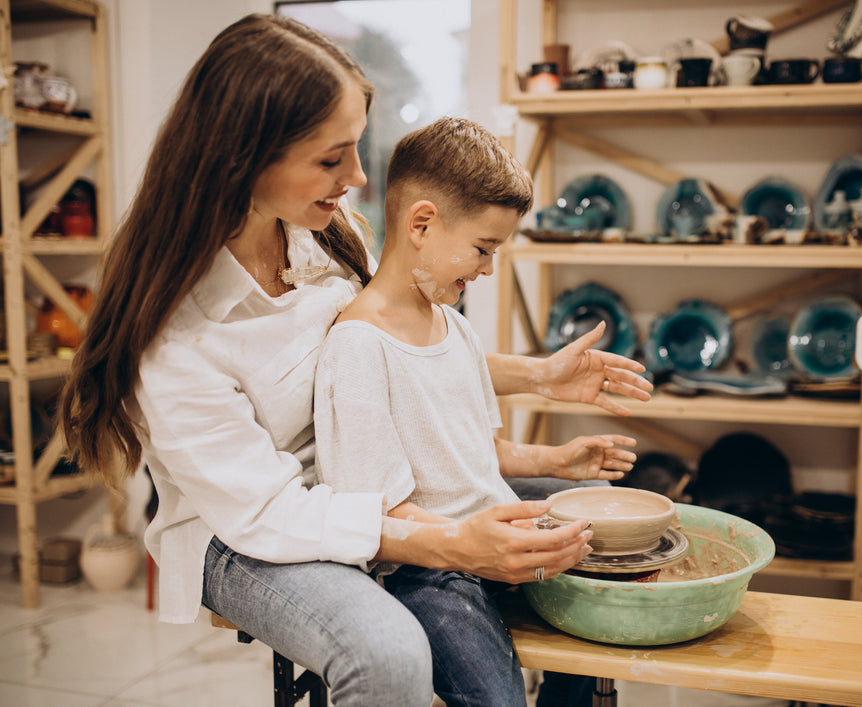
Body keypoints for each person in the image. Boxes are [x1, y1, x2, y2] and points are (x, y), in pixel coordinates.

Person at [57, 13, 652, 707]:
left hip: (372, 484)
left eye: (355, 149)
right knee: (388, 654)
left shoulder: (325, 235)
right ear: (244, 155)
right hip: (250, 526)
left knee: (596, 523)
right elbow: (269, 510)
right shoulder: (172, 332)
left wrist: (539, 375)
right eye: (331, 158)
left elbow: (395, 354)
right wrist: (452, 542)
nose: (358, 175)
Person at [313, 116, 638, 705]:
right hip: (424, 572)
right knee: (497, 698)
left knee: (605, 610)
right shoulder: (358, 345)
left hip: (490, 535)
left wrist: (559, 461)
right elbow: (380, 513)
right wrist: (475, 544)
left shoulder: (453, 327)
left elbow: (482, 456)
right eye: (483, 249)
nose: (488, 269)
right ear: (422, 224)